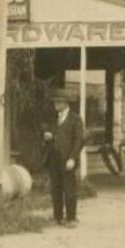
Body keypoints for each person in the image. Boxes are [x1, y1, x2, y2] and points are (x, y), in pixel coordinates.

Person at [43, 87, 84, 227]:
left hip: (67, 159)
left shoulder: (75, 119)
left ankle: (71, 218)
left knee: (69, 188)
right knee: (56, 188)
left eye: (58, 101)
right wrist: (48, 137)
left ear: (66, 103)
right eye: (55, 101)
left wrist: (73, 158)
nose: (55, 104)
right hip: (54, 157)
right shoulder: (54, 118)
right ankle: (57, 217)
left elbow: (79, 140)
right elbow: (54, 135)